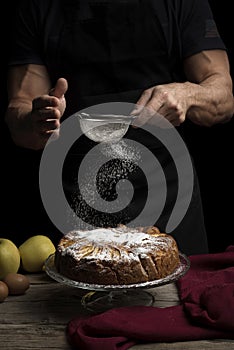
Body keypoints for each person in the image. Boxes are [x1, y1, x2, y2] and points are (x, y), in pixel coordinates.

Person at [3, 0, 234, 254]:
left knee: (183, 292)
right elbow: (19, 113)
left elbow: (223, 96)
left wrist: (187, 94)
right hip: (74, 199)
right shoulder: (37, 7)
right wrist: (36, 120)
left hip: (167, 193)